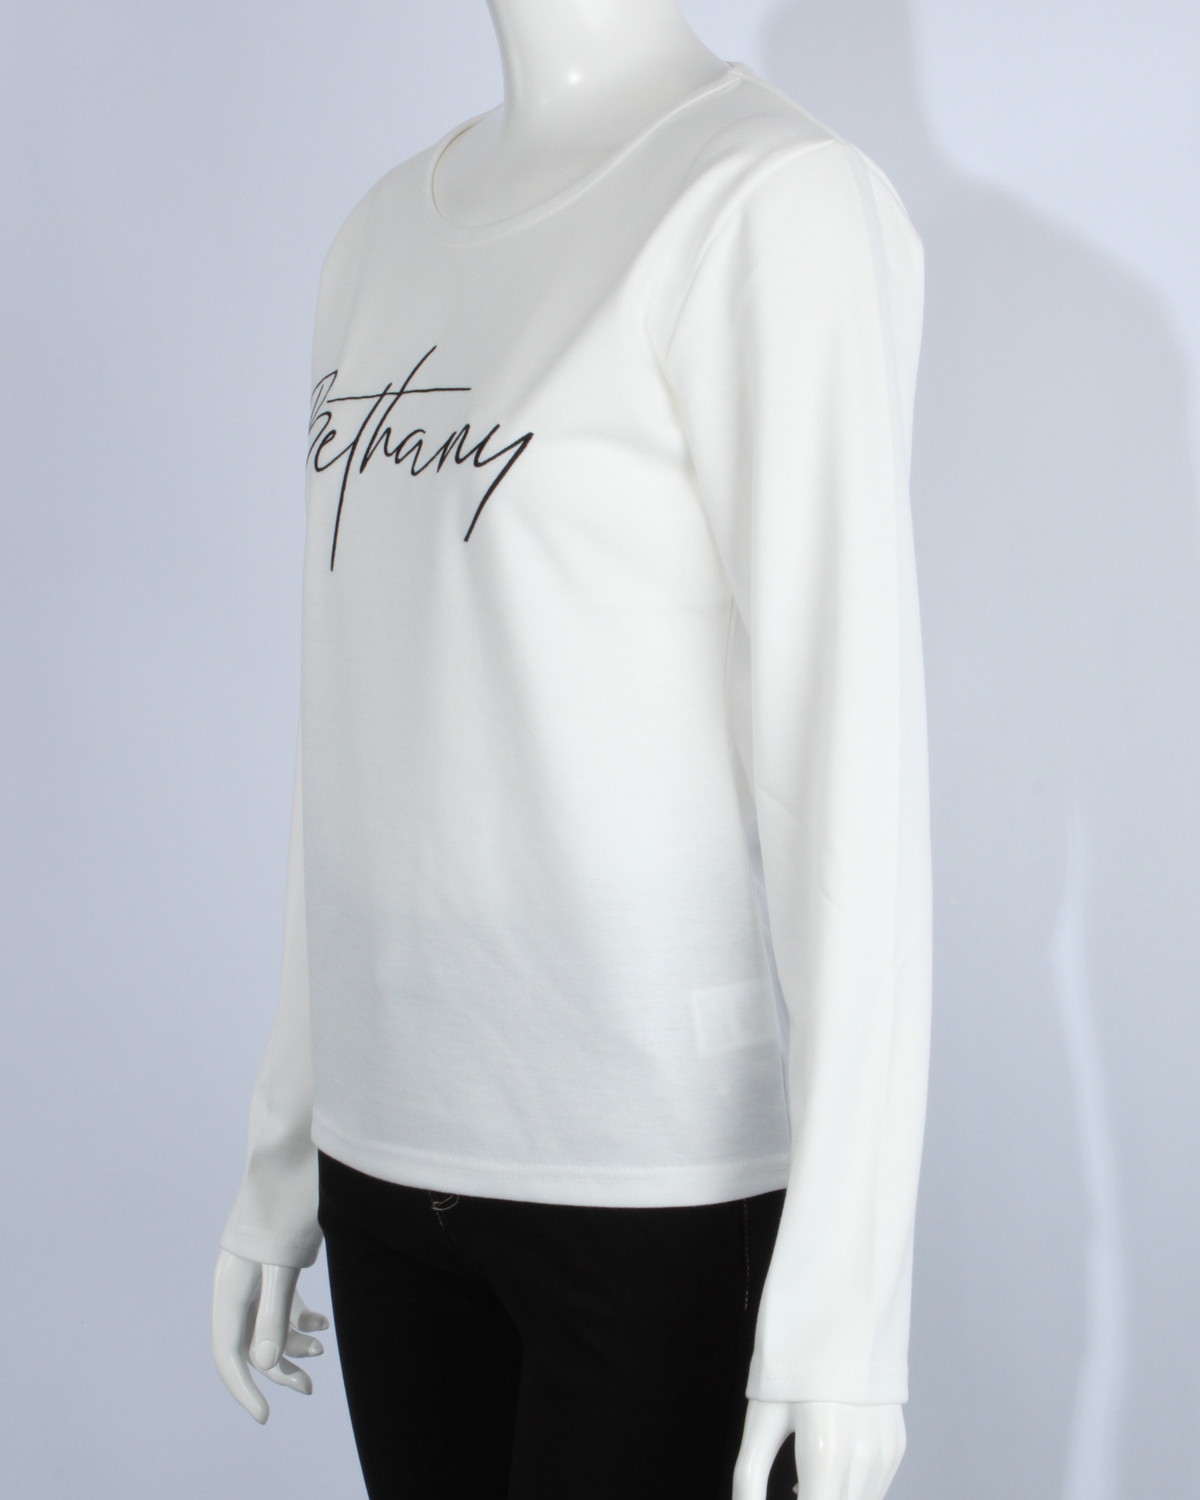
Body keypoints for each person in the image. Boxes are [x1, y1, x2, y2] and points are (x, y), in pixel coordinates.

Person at [211, 3, 930, 1496]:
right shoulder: (376, 241)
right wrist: (285, 1141)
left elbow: (847, 767)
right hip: (384, 1165)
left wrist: (848, 1298)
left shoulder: (765, 202)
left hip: (646, 1186)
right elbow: (354, 721)